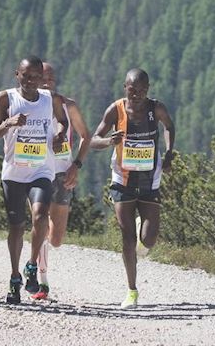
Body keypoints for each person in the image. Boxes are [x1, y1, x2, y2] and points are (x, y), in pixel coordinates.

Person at [0, 56, 70, 306]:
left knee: (40, 215)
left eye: (37, 76)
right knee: (16, 226)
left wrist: (60, 134)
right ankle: (14, 277)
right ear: (17, 74)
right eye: (27, 75)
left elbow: (63, 122)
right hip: (14, 172)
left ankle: (32, 265)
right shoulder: (6, 98)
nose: (32, 81)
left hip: (41, 170)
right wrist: (9, 123)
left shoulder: (49, 99)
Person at [90, 67, 175, 308]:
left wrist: (168, 154)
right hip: (122, 179)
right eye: (131, 89)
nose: (135, 94)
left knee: (148, 239)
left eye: (140, 90)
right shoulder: (115, 110)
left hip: (150, 178)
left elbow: (169, 126)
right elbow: (93, 139)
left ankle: (142, 234)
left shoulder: (155, 108)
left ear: (147, 90)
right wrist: (109, 141)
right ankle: (132, 291)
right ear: (124, 87)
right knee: (127, 237)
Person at [35, 60, 90, 300]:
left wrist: (76, 166)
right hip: (36, 172)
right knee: (39, 222)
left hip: (62, 173)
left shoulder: (68, 105)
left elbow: (85, 136)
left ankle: (43, 249)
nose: (46, 83)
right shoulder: (29, 104)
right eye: (42, 78)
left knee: (56, 238)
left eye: (50, 79)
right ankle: (41, 281)